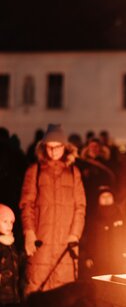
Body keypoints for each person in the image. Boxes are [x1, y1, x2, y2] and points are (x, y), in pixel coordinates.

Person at [20, 124, 86, 295]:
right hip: (41, 242)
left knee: (64, 295)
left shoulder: (73, 172)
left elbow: (80, 206)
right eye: (49, 147)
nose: (53, 151)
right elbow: (27, 204)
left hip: (65, 243)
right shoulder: (34, 171)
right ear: (43, 147)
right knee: (36, 290)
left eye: (57, 147)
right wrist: (29, 232)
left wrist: (75, 234)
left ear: (65, 147)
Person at [0, 204, 22, 307]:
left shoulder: (11, 243)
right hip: (1, 294)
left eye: (11, 222)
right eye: (4, 221)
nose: (9, 225)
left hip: (12, 293)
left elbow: (15, 264)